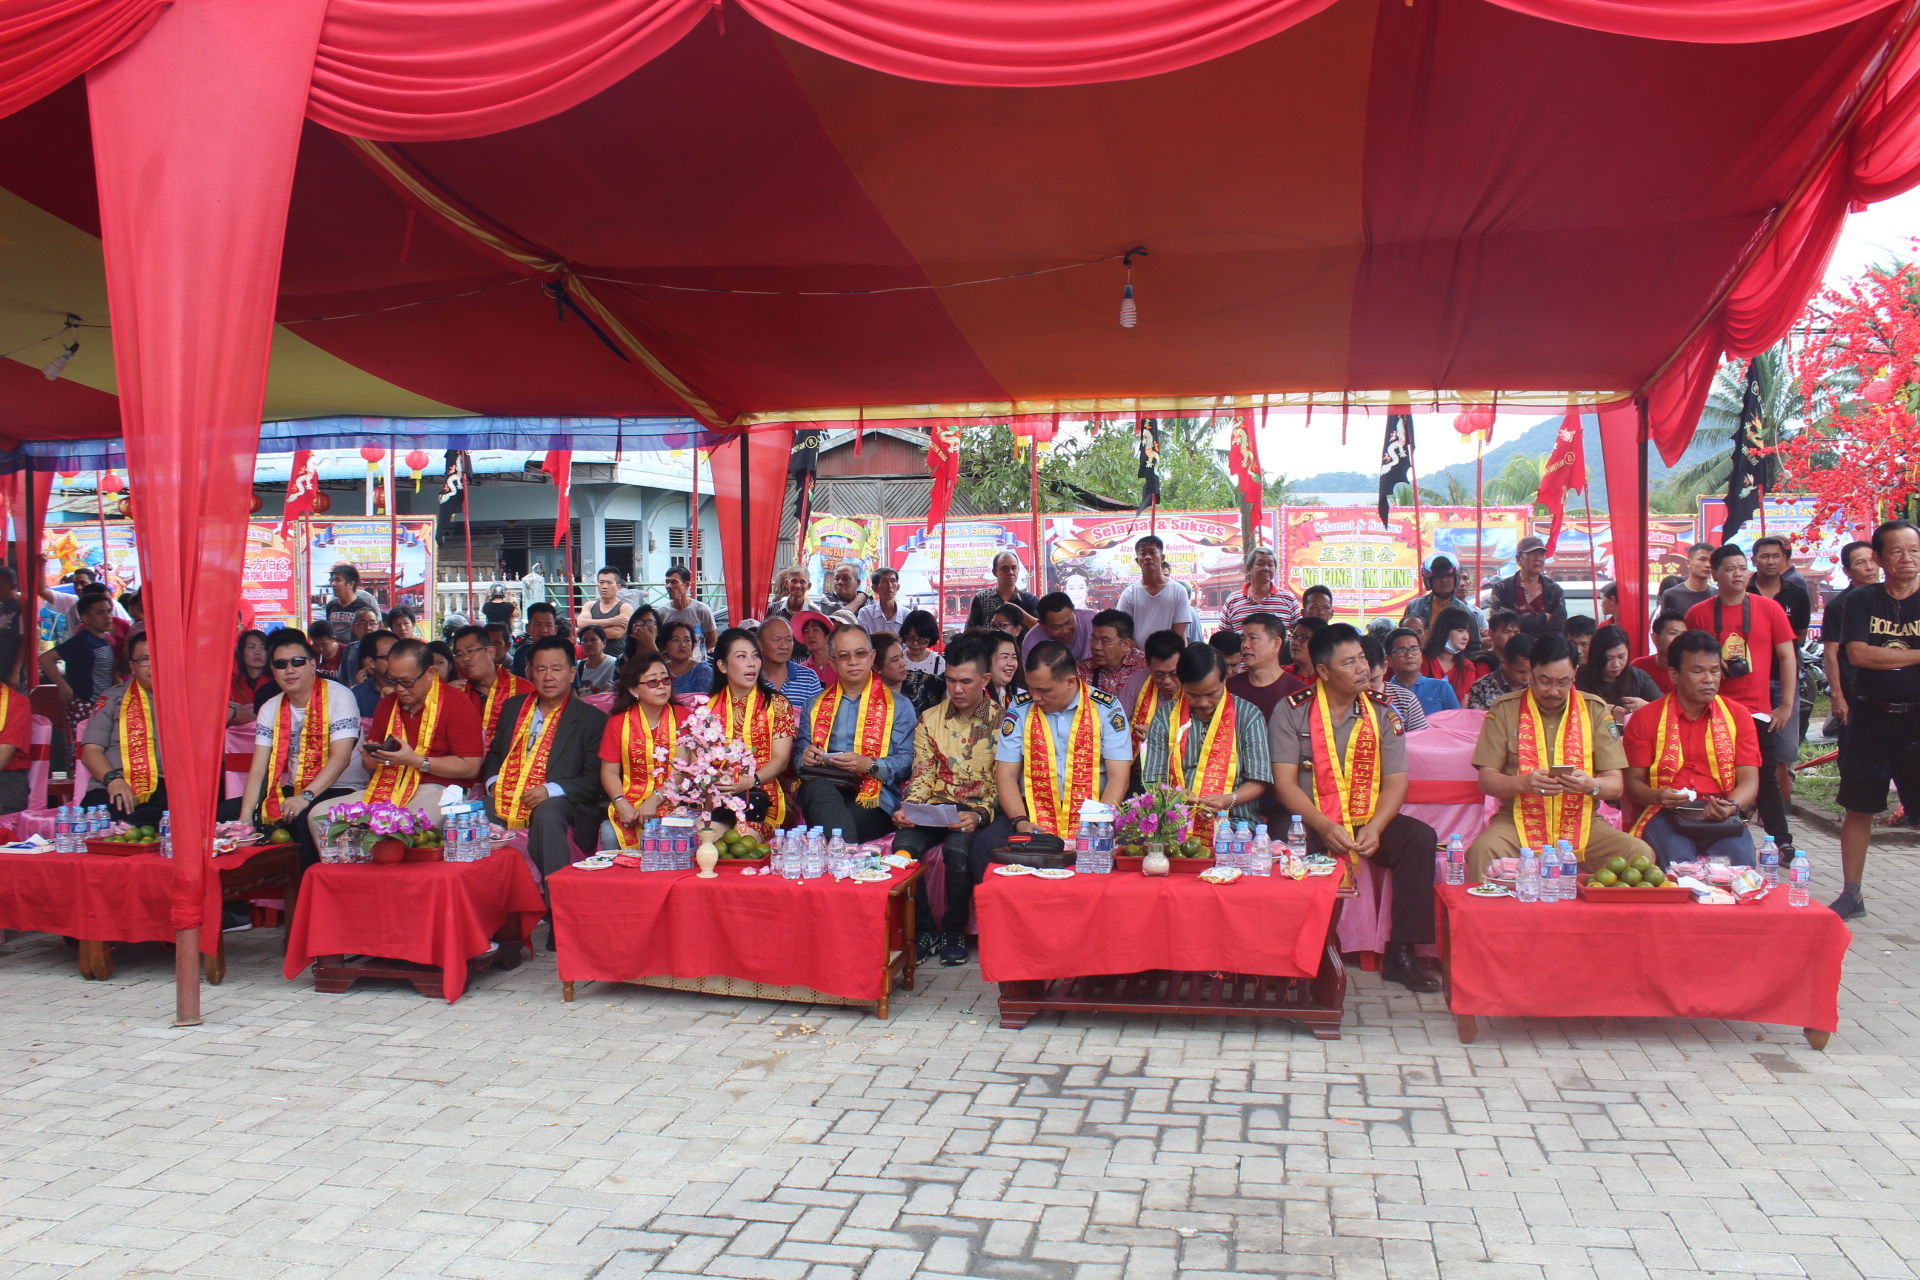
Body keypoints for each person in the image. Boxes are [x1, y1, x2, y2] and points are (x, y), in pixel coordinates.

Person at [1268, 624, 1440, 993]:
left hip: (1365, 818)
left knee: (1419, 839)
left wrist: (1377, 827)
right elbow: (1284, 783)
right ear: (1324, 671)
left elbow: (1396, 781)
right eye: (1349, 663)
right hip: (1310, 818)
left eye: (1362, 658)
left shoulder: (1382, 711)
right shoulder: (1293, 710)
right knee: (1284, 838)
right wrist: (1323, 825)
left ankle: (1402, 953)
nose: (1363, 668)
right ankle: (1289, 956)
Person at [1463, 634, 1653, 881]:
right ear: (1530, 672)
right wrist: (1524, 783)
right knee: (1483, 851)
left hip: (1583, 823)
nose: (1553, 691)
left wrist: (1589, 784)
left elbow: (1615, 786)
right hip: (1517, 822)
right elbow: (1487, 780)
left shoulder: (1594, 710)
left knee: (1639, 853)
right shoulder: (1504, 709)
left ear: (1575, 673)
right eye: (1545, 681)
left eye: (1563, 682)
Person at [892, 634, 1000, 968]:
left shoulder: (1004, 722)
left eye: (966, 681)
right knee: (903, 847)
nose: (957, 689)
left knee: (957, 852)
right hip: (934, 805)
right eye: (951, 680)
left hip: (974, 807)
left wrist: (980, 814)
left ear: (985, 679)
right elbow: (923, 772)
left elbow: (1003, 782)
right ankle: (926, 930)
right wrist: (910, 807)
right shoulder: (930, 718)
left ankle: (954, 930)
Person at [1683, 543, 1795, 851]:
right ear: (1715, 574)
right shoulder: (1698, 613)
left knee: (1765, 777)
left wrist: (1785, 705)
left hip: (1757, 711)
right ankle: (1706, 831)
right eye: (1730, 569)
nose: (1738, 574)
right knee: (1710, 772)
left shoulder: (1769, 608)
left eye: (1743, 568)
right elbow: (1687, 659)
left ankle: (1781, 842)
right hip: (1712, 710)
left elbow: (1787, 656)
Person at [1835, 520, 1920, 919]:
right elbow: (1860, 654)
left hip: (1917, 719)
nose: (1907, 559)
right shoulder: (1862, 600)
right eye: (1897, 551)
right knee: (1860, 806)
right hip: (1871, 716)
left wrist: (1889, 657)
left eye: (1914, 550)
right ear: (1880, 558)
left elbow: (1875, 653)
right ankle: (1852, 893)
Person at [1622, 629, 1762, 868]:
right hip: (1664, 811)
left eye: (1714, 670)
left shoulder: (1738, 716)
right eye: (1698, 671)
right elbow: (1632, 784)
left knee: (1739, 866)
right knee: (1679, 867)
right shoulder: (1646, 718)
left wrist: (1731, 806)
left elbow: (1749, 781)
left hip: (1719, 812)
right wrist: (1658, 796)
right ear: (1674, 675)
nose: (1709, 679)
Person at [979, 641, 1132, 858]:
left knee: (1130, 846)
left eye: (1044, 690)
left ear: (1070, 681)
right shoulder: (1021, 708)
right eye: (1031, 688)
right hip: (1032, 811)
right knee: (986, 844)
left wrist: (1099, 824)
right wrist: (1021, 821)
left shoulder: (1105, 708)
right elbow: (1006, 775)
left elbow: (1119, 778)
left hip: (1097, 812)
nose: (1035, 697)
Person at [312, 638, 484, 829]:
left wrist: (415, 760)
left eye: (407, 682)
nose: (399, 689)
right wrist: (373, 760)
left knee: (408, 824)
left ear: (430, 673)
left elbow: (470, 767)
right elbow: (373, 768)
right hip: (388, 786)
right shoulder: (387, 704)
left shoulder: (457, 703)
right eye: (393, 681)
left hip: (439, 788)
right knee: (319, 816)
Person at [480, 634, 608, 879]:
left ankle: (556, 897)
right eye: (541, 669)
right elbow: (495, 754)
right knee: (470, 814)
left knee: (547, 812)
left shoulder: (593, 719)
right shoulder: (513, 708)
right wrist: (494, 782)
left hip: (563, 800)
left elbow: (594, 780)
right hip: (508, 794)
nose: (548, 677)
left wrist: (550, 790)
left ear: (571, 673)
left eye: (556, 669)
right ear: (530, 673)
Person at [240, 631, 366, 867]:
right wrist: (245, 817)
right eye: (281, 664)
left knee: (301, 817)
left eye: (297, 662)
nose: (289, 669)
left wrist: (305, 797)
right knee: (228, 813)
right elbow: (258, 769)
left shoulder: (339, 696)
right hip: (295, 788)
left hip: (342, 788)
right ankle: (253, 888)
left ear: (312, 665)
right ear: (273, 671)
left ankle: (306, 886)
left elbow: (341, 758)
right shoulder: (270, 707)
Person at [1140, 643, 1274, 842]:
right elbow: (1153, 782)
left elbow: (1259, 781)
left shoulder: (1248, 716)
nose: (1203, 703)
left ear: (1225, 679)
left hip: (1235, 825)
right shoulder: (1164, 718)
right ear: (1182, 684)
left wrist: (1228, 799)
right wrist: (1177, 796)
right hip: (1175, 827)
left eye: (1212, 693)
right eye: (1193, 695)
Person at [797, 625, 916, 843]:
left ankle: (839, 847)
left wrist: (868, 765)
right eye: (844, 655)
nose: (853, 661)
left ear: (872, 656)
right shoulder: (813, 705)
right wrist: (806, 757)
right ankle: (845, 849)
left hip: (875, 799)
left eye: (860, 653)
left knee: (837, 824)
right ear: (832, 662)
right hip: (824, 788)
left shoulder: (899, 706)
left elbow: (907, 764)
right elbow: (798, 762)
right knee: (817, 787)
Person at [77, 634, 180, 828]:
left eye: (160, 658)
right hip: (112, 784)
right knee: (95, 823)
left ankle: (126, 828)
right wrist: (112, 779)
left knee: (173, 816)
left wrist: (222, 712)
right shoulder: (112, 698)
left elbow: (240, 714)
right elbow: (91, 752)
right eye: (145, 659)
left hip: (163, 787)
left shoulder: (186, 697)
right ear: (132, 666)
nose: (154, 666)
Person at [708, 628, 799, 839]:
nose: (752, 663)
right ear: (722, 665)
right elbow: (699, 763)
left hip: (762, 798)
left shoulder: (776, 704)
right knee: (706, 839)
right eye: (742, 656)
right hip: (718, 798)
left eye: (755, 656)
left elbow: (781, 760)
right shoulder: (707, 709)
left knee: (741, 841)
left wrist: (751, 781)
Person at [597, 650, 693, 848]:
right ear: (634, 690)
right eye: (652, 682)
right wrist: (620, 803)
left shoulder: (682, 716)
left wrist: (656, 798)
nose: (661, 686)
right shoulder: (618, 723)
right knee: (608, 833)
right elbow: (609, 772)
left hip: (674, 801)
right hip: (631, 802)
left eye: (665, 680)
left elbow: (682, 770)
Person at [1823, 539, 1878, 745]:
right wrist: (1837, 696)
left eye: (1872, 560)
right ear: (1847, 571)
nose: (1869, 567)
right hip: (1855, 694)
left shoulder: (1892, 599)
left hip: (1889, 693)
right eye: (1861, 562)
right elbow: (1831, 653)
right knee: (1854, 751)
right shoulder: (1839, 606)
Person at [42, 592, 119, 733]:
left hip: (101, 705)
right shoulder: (82, 640)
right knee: (86, 745)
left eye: (109, 611)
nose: (107, 616)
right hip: (84, 705)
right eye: (100, 612)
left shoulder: (103, 640)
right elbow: (45, 659)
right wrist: (64, 687)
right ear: (85, 618)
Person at [451, 624, 532, 749]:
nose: (465, 658)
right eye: (460, 654)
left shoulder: (524, 690)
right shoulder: (457, 693)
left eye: (470, 651)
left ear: (491, 652)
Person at [1116, 535, 1201, 642]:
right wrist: (1139, 653)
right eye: (1143, 553)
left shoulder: (1179, 591)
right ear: (1137, 560)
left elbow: (1179, 634)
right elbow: (1124, 633)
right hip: (1135, 652)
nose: (1148, 557)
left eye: (1153, 552)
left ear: (1162, 558)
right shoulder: (1129, 594)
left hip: (1170, 652)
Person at [1576, 623, 1661, 721]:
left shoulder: (1639, 678)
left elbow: (1666, 710)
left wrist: (1647, 707)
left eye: (1621, 657)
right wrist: (1606, 709)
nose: (1616, 664)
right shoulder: (1581, 675)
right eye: (1609, 658)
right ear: (1597, 655)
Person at [1490, 536, 1567, 638]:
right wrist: (1543, 617)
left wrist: (1517, 624)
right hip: (1512, 646)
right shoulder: (1502, 588)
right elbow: (1499, 622)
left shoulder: (1554, 590)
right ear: (1519, 559)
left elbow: (1558, 625)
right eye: (1532, 554)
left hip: (1545, 645)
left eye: (1542, 554)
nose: (1538, 558)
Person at [1220, 547, 1300, 631]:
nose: (1266, 568)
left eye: (1270, 565)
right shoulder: (1233, 600)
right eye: (1260, 564)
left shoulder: (1288, 598)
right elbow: (1224, 635)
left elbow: (1298, 632)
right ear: (1249, 569)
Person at [1079, 609, 1147, 707]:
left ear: (1125, 644)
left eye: (1105, 641)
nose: (1097, 647)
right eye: (1094, 639)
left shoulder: (1144, 666)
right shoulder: (1082, 671)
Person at [1385, 626, 1459, 715]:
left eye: (1414, 649)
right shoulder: (1384, 693)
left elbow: (1456, 720)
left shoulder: (1441, 687)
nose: (1409, 655)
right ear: (1389, 660)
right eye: (1402, 651)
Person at [1419, 606, 1485, 704]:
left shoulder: (1467, 666)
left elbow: (1465, 704)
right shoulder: (1421, 660)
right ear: (1442, 630)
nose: (1466, 637)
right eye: (1460, 631)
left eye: (1467, 631)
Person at [1402, 556, 1486, 632]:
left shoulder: (1467, 612)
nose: (1444, 580)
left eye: (1448, 575)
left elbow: (1474, 643)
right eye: (1438, 576)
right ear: (1429, 581)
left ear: (1455, 578)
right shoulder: (1415, 606)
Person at [1362, 634, 1426, 731]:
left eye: (1373, 680)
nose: (1367, 687)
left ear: (1385, 667)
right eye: (1359, 681)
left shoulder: (1406, 700)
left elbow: (1420, 738)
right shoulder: (1342, 701)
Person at [756, 615, 824, 706]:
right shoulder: (750, 676)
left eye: (788, 640)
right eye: (777, 640)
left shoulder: (809, 678)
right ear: (759, 644)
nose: (784, 646)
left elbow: (817, 713)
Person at [966, 551, 1042, 632]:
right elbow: (969, 631)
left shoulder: (1030, 600)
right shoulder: (981, 599)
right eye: (1005, 568)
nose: (1010, 572)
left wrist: (1018, 611)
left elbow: (1042, 628)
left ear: (1018, 570)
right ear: (995, 572)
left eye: (1014, 568)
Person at [659, 565, 718, 659]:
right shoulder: (662, 613)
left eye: (674, 582)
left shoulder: (701, 610)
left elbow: (711, 640)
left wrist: (696, 655)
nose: (669, 586)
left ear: (686, 584)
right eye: (667, 582)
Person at [1021, 592, 1095, 662]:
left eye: (1069, 623)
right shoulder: (1031, 644)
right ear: (1042, 625)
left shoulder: (1093, 621)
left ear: (1074, 612)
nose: (1065, 631)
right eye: (1057, 627)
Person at [1630, 611, 1690, 697]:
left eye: (1683, 634)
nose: (1679, 639)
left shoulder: (1690, 669)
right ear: (1655, 638)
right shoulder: (1639, 667)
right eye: (1673, 633)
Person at [896, 610, 947, 712]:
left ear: (930, 639)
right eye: (911, 638)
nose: (915, 644)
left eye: (921, 640)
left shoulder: (939, 662)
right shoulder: (898, 660)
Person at [1467, 634, 1532, 711]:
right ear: (1505, 664)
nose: (1527, 678)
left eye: (1532, 672)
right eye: (1521, 672)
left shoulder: (1538, 687)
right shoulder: (1481, 688)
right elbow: (1476, 717)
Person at [577, 568, 635, 655]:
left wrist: (586, 631)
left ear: (618, 587)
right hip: (592, 657)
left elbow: (616, 632)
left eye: (609, 582)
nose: (604, 586)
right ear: (597, 586)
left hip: (616, 658)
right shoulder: (590, 605)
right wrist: (611, 621)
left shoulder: (624, 607)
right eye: (601, 582)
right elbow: (581, 623)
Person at [1658, 542, 1717, 618]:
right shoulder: (1671, 595)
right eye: (1702, 559)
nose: (1708, 565)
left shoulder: (1717, 595)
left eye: (1712, 561)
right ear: (1689, 563)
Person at [350, 630, 398, 717]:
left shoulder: (413, 689)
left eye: (400, 655)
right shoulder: (357, 695)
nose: (398, 661)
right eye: (389, 657)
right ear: (371, 662)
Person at [656, 620, 711, 696]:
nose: (682, 644)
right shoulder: (660, 670)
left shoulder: (703, 672)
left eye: (687, 640)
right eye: (676, 640)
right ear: (664, 645)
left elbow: (704, 700)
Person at [322, 564, 378, 634]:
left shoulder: (365, 608)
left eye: (337, 580)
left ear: (350, 584)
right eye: (332, 581)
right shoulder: (331, 606)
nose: (333, 584)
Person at [856, 567, 908, 637]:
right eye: (885, 582)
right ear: (875, 588)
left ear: (898, 587)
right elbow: (863, 640)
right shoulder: (866, 613)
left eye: (893, 581)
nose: (890, 586)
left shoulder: (907, 615)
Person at [510, 602, 559, 677]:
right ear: (528, 628)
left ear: (555, 629)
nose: (543, 630)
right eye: (538, 625)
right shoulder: (521, 653)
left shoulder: (565, 654)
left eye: (548, 625)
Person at [229, 629, 271, 705]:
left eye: (263, 648)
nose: (258, 652)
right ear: (241, 653)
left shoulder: (278, 683)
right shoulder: (231, 685)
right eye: (251, 647)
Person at [574, 625, 619, 693]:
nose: (588, 643)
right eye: (584, 640)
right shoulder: (577, 665)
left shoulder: (613, 663)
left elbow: (608, 692)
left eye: (593, 640)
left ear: (604, 643)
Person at [984, 630, 1023, 706]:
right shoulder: (975, 698)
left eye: (1014, 657)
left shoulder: (1021, 696)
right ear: (986, 660)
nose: (1011, 663)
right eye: (1005, 657)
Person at [0, 566, 23, 691]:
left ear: (13, 586)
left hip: (12, 675)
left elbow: (24, 642)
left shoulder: (21, 607)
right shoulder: (2, 607)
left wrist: (15, 671)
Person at [1289, 617, 1329, 683]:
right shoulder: (1280, 674)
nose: (1295, 642)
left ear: (1321, 642)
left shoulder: (1330, 677)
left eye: (1304, 637)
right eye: (1294, 637)